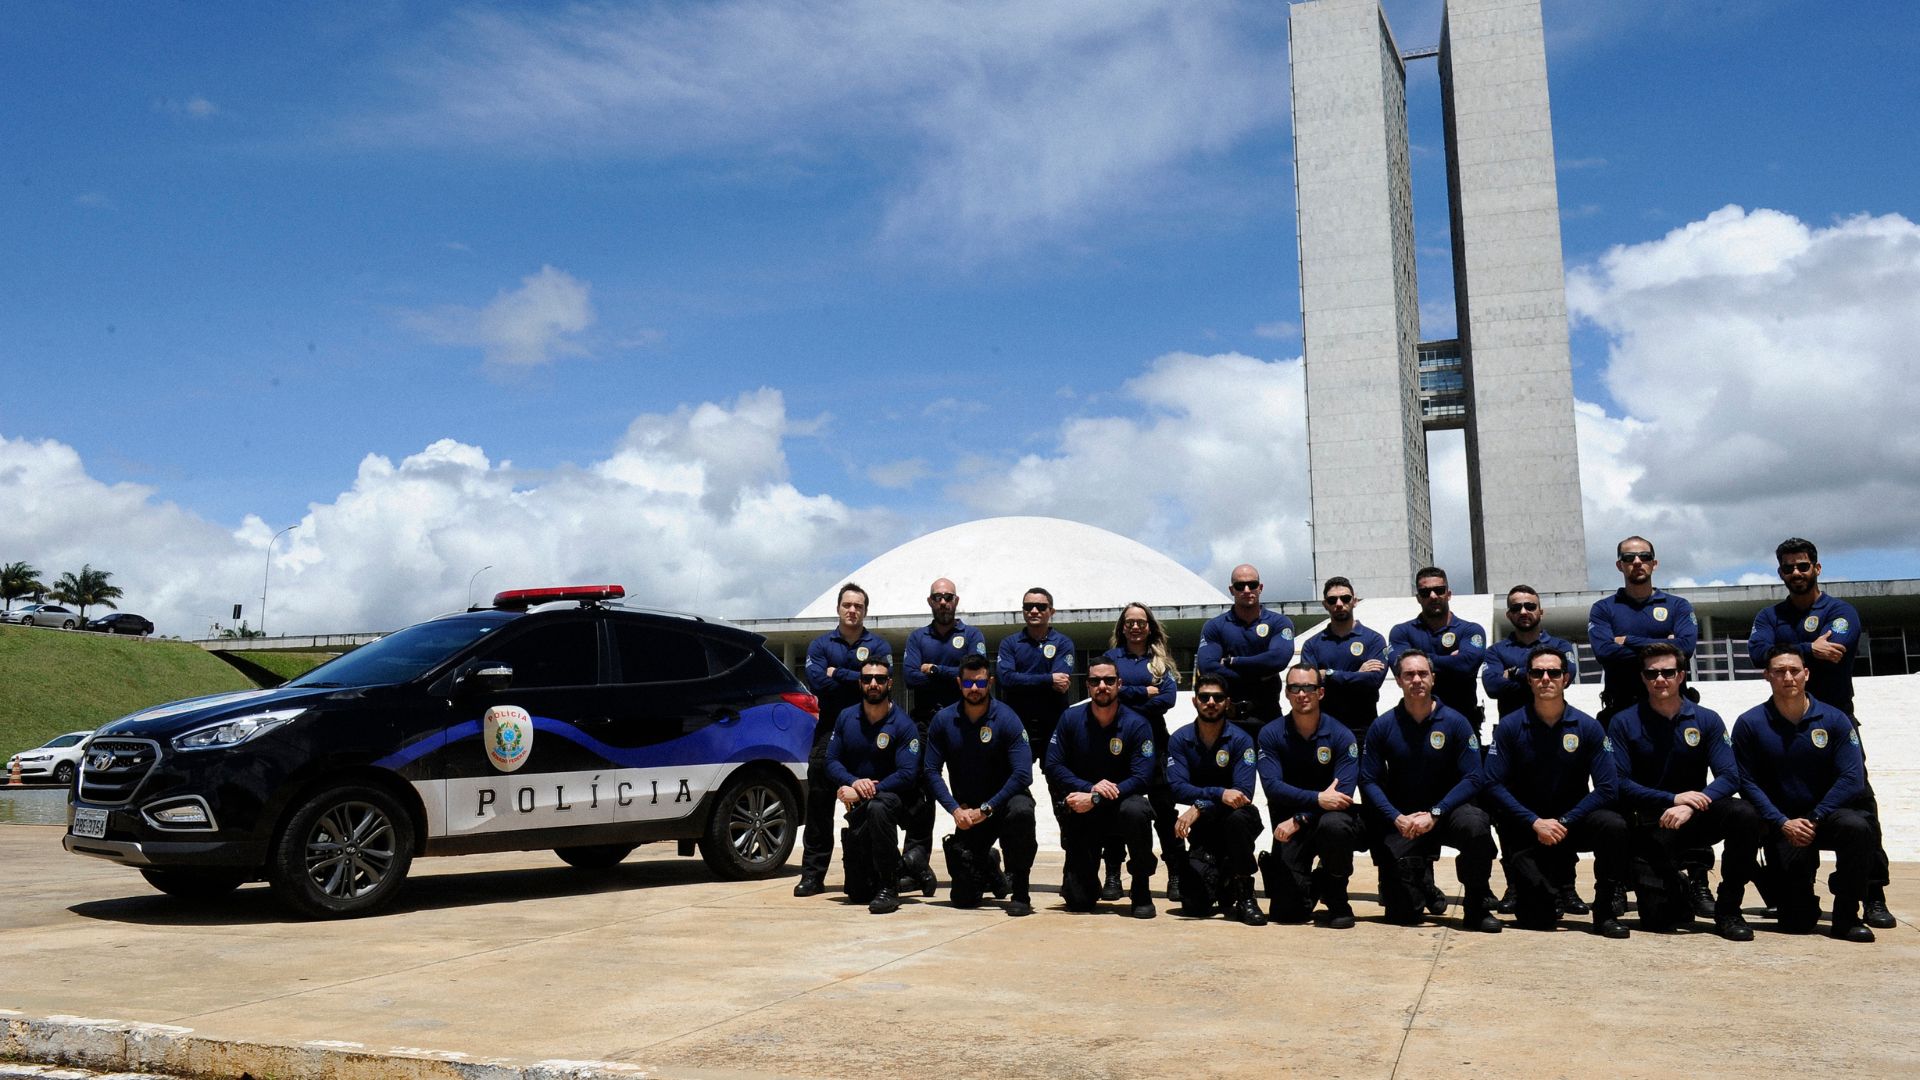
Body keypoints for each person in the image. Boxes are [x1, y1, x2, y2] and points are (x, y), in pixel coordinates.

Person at [1745, 537, 1892, 928]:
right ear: (1780, 573)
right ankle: (1789, 885)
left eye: (1803, 566)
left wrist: (1788, 648)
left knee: (1860, 805)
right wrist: (1810, 647)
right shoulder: (1769, 615)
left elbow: (1838, 647)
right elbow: (1758, 654)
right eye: (1789, 567)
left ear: (1817, 568)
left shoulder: (1840, 611)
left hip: (1836, 723)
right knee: (1778, 804)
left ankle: (1871, 893)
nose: (1797, 573)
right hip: (1782, 726)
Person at [1606, 643, 1759, 941]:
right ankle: (1677, 888)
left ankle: (1728, 910)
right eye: (1652, 673)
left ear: (1681, 675)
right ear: (1642, 677)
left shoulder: (1707, 719)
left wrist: (1690, 804)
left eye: (1667, 672)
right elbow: (1619, 782)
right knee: (1659, 921)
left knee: (1743, 813)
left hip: (1695, 815)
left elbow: (1730, 776)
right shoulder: (1623, 722)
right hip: (1650, 825)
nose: (1659, 679)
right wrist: (1672, 799)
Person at [1481, 646, 1631, 938]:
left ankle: (1605, 912)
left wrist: (1566, 821)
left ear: (1566, 678)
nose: (1545, 678)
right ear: (1529, 680)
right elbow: (1491, 783)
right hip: (1528, 827)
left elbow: (1607, 787)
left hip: (1573, 823)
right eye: (1537, 673)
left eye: (1554, 672)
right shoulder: (1511, 727)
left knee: (1614, 825)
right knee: (1539, 917)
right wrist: (1534, 822)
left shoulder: (1588, 727)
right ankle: (1542, 891)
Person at [1733, 646, 1881, 942]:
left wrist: (1815, 816)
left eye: (1794, 670)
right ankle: (1797, 898)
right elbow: (1745, 782)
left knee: (1858, 827)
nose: (1788, 677)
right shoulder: (1750, 723)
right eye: (1779, 671)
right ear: (1767, 676)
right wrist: (1781, 822)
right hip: (1784, 823)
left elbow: (1852, 778)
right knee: (1796, 922)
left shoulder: (1835, 719)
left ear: (1807, 674)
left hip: (1825, 815)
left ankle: (1846, 916)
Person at [1359, 650, 1501, 932]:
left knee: (1476, 824)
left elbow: (1474, 777)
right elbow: (1368, 780)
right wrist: (1395, 817)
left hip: (1447, 812)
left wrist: (1436, 813)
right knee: (1403, 916)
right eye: (1409, 674)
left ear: (1433, 679)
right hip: (1405, 820)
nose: (1416, 680)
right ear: (1398, 680)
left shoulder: (1456, 722)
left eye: (1422, 674)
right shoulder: (1383, 726)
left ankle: (1476, 905)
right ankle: (1421, 883)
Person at [795, 582, 892, 897]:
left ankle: (872, 874)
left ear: (865, 611)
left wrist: (841, 674)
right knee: (820, 808)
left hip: (868, 735)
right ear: (838, 608)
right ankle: (812, 875)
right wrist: (857, 678)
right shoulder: (821, 645)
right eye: (847, 605)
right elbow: (819, 684)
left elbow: (881, 686)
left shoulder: (878, 645)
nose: (853, 610)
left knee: (871, 806)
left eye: (859, 606)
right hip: (829, 734)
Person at [1045, 656, 1159, 918]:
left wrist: (1097, 797)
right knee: (1079, 901)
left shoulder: (1137, 723)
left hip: (1120, 806)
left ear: (1119, 683)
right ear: (1087, 685)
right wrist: (1089, 787)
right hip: (1084, 810)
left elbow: (1142, 777)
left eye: (1109, 680)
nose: (1102, 686)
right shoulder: (1070, 718)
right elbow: (1054, 765)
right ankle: (1086, 879)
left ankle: (1141, 887)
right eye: (1096, 681)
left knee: (1138, 810)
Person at [924, 655, 1037, 917]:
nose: (974, 689)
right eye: (968, 682)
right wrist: (955, 810)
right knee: (964, 899)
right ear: (958, 683)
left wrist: (987, 808)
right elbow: (930, 771)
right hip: (969, 813)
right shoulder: (943, 720)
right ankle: (988, 863)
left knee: (1022, 812)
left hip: (1006, 804)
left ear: (990, 682)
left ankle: (1020, 889)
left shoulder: (1007, 718)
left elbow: (1023, 774)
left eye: (980, 682)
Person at [1255, 666, 1363, 928]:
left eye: (1309, 688)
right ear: (1286, 693)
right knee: (1286, 914)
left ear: (1321, 692)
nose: (1302, 694)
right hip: (1290, 826)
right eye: (1295, 688)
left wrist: (1303, 815)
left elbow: (1342, 796)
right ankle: (1315, 882)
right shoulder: (1270, 733)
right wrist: (1317, 799)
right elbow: (1272, 787)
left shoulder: (1341, 735)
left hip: (1324, 821)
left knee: (1336, 825)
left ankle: (1337, 896)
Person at [900, 577, 987, 892]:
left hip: (964, 724)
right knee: (922, 795)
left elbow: (976, 674)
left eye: (948, 597)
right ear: (930, 602)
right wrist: (953, 675)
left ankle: (975, 862)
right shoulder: (917, 638)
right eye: (937, 597)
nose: (943, 602)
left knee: (970, 790)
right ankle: (913, 864)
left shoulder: (972, 635)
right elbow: (909, 678)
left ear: (956, 600)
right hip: (926, 725)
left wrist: (934, 670)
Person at [822, 659, 922, 914]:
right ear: (860, 683)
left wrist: (867, 790)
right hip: (861, 801)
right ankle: (908, 865)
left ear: (890, 683)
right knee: (857, 894)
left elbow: (908, 774)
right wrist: (853, 782)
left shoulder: (903, 724)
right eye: (867, 679)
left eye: (879, 679)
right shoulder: (846, 717)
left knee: (878, 807)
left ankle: (890, 889)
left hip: (897, 800)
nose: (873, 684)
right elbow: (831, 761)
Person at [1164, 673, 1266, 925]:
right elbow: (1177, 788)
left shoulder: (1242, 740)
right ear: (1195, 701)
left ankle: (1245, 894)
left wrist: (1199, 805)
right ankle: (1224, 879)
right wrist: (1217, 794)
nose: (1211, 702)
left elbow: (1243, 793)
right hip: (1204, 830)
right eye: (1204, 697)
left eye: (1217, 697)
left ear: (1227, 702)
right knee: (1193, 906)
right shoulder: (1180, 739)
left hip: (1237, 821)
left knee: (1238, 818)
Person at [1104, 602, 1187, 902]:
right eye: (1130, 622)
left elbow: (1168, 698)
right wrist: (1143, 691)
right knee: (1117, 808)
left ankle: (1176, 872)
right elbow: (1109, 693)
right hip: (1119, 745)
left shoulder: (1160, 660)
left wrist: (1129, 699)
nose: (1136, 627)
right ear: (1122, 627)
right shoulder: (1111, 659)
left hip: (1156, 745)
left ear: (1150, 626)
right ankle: (1112, 871)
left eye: (1141, 622)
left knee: (1165, 811)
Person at [1588, 537, 1697, 721]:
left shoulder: (1678, 606)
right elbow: (1605, 652)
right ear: (1619, 565)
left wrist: (1629, 641)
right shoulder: (1603, 608)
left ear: (1654, 563)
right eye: (1629, 558)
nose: (1637, 562)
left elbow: (1686, 648)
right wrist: (1668, 646)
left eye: (1644, 556)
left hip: (1673, 713)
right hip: (1620, 711)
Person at [1195, 564, 1296, 732]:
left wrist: (1232, 661)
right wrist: (1260, 673)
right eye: (1240, 586)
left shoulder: (1279, 622)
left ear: (1260, 587)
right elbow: (1207, 667)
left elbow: (1278, 659)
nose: (1247, 589)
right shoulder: (1215, 626)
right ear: (1231, 589)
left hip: (1268, 715)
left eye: (1252, 585)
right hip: (1227, 718)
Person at [1388, 567, 1488, 731]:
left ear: (1448, 594)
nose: (1433, 596)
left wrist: (1417, 660)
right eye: (1425, 592)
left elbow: (1467, 665)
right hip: (1416, 726)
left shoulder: (1470, 630)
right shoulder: (1401, 632)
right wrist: (1452, 659)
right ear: (1418, 598)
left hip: (1463, 724)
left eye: (1439, 590)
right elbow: (1400, 667)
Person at [1295, 577, 1389, 740]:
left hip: (1363, 727)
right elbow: (1309, 685)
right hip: (1324, 728)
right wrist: (1358, 675)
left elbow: (1373, 680)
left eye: (1345, 598)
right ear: (1325, 604)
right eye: (1332, 600)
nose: (1339, 604)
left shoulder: (1374, 640)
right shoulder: (1312, 644)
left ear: (1355, 601)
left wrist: (1329, 674)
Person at [1482, 585, 1578, 720]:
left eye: (1530, 607)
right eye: (1516, 608)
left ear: (1541, 612)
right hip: (1512, 731)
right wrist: (1545, 676)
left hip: (1553, 729)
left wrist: (1513, 673)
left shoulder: (1560, 646)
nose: (1523, 612)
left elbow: (1567, 677)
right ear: (1508, 615)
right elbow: (1492, 687)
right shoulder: (1495, 651)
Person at [996, 586, 1074, 746]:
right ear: (1023, 610)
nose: (1033, 611)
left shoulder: (1063, 643)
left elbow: (1061, 683)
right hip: (1017, 722)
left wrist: (1021, 680)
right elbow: (1006, 679)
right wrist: (1049, 679)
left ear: (1051, 611)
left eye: (1041, 607)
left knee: (1056, 771)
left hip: (1054, 722)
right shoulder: (1009, 643)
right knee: (1018, 771)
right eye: (1028, 606)